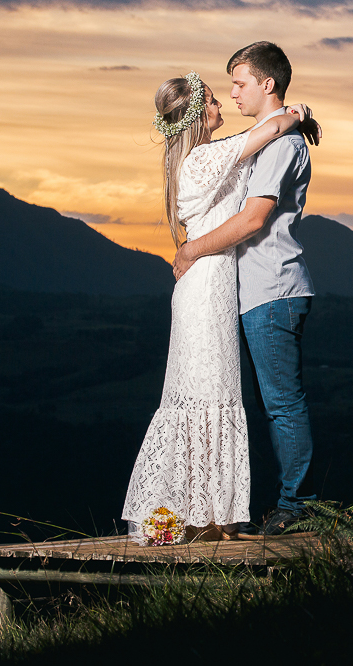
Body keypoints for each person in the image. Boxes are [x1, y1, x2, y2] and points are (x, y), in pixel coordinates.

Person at [121, 70, 318, 542]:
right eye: (210, 100)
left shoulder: (207, 155)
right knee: (209, 393)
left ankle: (206, 512)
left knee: (209, 392)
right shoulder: (205, 158)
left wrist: (294, 118)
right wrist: (297, 113)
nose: (221, 104)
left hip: (214, 283)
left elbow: (259, 136)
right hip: (207, 285)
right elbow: (270, 128)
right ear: (194, 116)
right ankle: (200, 514)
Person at [172, 42, 315, 535]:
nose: (232, 93)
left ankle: (297, 506)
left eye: (239, 83)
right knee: (266, 403)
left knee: (282, 404)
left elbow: (253, 219)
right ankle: (245, 508)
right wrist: (297, 114)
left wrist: (191, 250)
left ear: (266, 84)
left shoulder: (280, 145)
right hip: (250, 289)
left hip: (271, 286)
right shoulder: (262, 138)